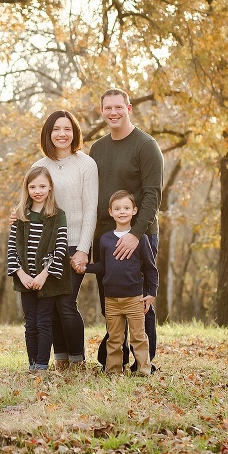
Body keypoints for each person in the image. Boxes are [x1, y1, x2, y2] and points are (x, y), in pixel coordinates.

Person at [89, 88, 163, 372]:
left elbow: (152, 195)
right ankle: (115, 358)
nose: (113, 112)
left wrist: (135, 234)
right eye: (108, 108)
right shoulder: (97, 149)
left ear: (129, 109)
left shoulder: (146, 146)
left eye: (118, 107)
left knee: (139, 301)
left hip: (139, 234)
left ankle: (144, 362)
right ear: (102, 111)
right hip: (105, 237)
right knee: (110, 298)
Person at [31, 110, 98, 370]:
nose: (62, 134)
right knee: (51, 305)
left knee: (66, 303)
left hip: (74, 243)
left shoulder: (86, 164)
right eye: (56, 129)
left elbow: (90, 208)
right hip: (45, 245)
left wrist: (83, 249)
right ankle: (61, 360)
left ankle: (77, 360)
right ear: (48, 133)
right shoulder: (39, 166)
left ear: (74, 133)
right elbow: (31, 201)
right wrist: (18, 215)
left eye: (67, 129)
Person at [84, 191, 157, 376]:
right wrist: (85, 267)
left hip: (135, 298)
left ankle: (143, 370)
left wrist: (151, 293)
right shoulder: (105, 239)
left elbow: (150, 268)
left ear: (134, 211)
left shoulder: (141, 239)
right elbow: (103, 266)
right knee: (114, 338)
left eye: (126, 208)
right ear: (110, 212)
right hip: (111, 299)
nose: (122, 212)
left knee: (138, 337)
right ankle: (113, 371)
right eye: (117, 208)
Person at [7, 166, 72, 372]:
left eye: (42, 186)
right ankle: (32, 365)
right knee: (30, 323)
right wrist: (21, 274)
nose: (38, 191)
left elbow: (60, 248)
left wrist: (44, 274)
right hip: (25, 278)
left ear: (50, 187)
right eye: (33, 186)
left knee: (44, 322)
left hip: (47, 279)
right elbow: (12, 247)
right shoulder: (20, 215)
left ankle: (42, 366)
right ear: (27, 188)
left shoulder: (58, 216)